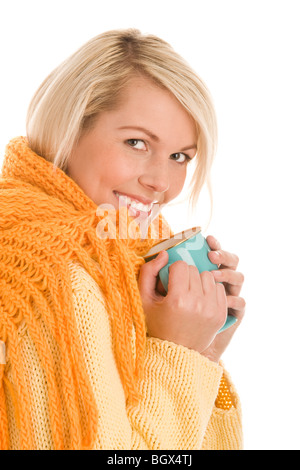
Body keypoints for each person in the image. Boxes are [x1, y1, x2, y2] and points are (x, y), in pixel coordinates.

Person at [0, 28, 245, 450]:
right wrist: (176, 349)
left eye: (180, 156)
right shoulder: (54, 269)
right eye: (136, 142)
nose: (162, 182)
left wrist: (203, 350)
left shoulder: (119, 254)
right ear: (69, 129)